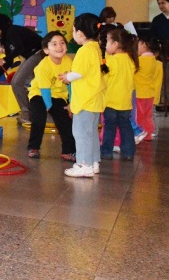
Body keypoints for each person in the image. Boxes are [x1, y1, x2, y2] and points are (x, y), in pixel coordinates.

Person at [59, 13, 106, 178]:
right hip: (94, 99)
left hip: (85, 100)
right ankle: (93, 163)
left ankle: (83, 164)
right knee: (91, 133)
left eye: (73, 30)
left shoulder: (84, 50)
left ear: (80, 33)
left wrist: (66, 77)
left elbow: (78, 72)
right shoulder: (95, 48)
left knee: (80, 134)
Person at [26, 31, 76, 160]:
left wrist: (71, 103)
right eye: (54, 44)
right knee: (39, 119)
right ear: (46, 50)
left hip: (58, 95)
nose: (59, 46)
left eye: (62, 43)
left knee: (65, 121)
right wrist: (48, 107)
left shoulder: (68, 61)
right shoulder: (43, 66)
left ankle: (68, 151)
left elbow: (70, 84)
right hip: (39, 94)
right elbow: (44, 89)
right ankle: (33, 147)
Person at [0, 13, 44, 125]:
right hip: (33, 55)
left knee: (17, 83)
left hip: (39, 54)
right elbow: (10, 59)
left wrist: (4, 60)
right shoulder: (6, 37)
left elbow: (19, 47)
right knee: (21, 83)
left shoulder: (11, 32)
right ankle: (31, 114)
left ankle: (28, 115)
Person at [101, 28, 138, 161]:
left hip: (110, 101)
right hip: (125, 102)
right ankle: (128, 153)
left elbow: (103, 79)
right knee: (126, 127)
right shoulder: (130, 60)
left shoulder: (111, 60)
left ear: (115, 44)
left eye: (108, 42)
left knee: (109, 127)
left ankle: (106, 152)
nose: (106, 46)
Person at [134, 35, 159, 143]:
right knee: (148, 116)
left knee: (139, 116)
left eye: (138, 45)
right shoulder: (153, 59)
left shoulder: (140, 60)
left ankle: (139, 134)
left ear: (144, 45)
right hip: (150, 93)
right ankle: (148, 134)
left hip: (140, 93)